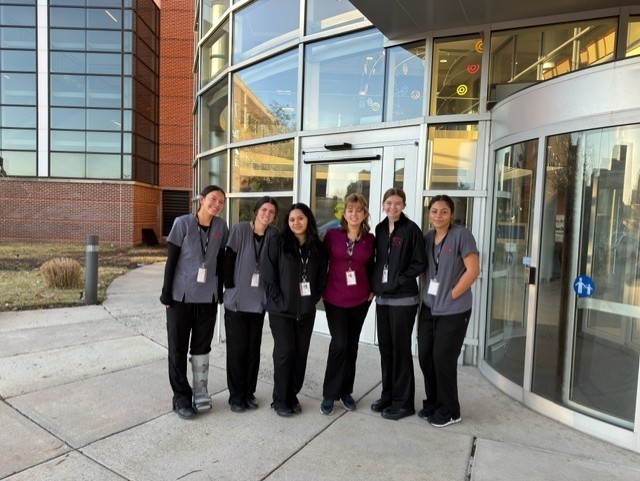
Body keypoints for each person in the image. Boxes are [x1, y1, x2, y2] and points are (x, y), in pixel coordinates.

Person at [160, 185, 228, 420]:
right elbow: (172, 261)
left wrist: (219, 292)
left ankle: (200, 392)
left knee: (202, 347)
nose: (217, 204)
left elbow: (219, 260)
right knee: (178, 348)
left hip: (207, 299)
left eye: (221, 201)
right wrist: (166, 293)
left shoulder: (221, 227)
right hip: (181, 297)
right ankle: (180, 397)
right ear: (201, 199)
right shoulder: (182, 223)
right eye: (213, 199)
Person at [418, 194, 479, 428]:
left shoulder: (462, 235)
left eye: (444, 211)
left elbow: (473, 270)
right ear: (429, 214)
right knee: (425, 356)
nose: (438, 215)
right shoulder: (427, 238)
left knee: (442, 358)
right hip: (429, 307)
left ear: (451, 214)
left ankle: (451, 410)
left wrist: (452, 294)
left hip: (453, 309)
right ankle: (433, 402)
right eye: (434, 211)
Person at [261, 203, 328, 417]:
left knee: (300, 354)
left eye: (300, 218)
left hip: (306, 312)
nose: (296, 223)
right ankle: (280, 399)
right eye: (291, 219)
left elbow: (320, 278)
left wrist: (313, 299)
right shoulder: (277, 243)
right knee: (285, 352)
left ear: (308, 220)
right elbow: (268, 275)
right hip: (281, 311)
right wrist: (279, 301)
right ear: (287, 222)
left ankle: (292, 395)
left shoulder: (317, 247)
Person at [370, 188, 426, 420]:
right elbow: (379, 260)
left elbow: (419, 263)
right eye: (388, 203)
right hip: (383, 298)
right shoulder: (381, 228)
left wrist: (397, 281)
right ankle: (388, 395)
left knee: (401, 351)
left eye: (397, 203)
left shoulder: (411, 230)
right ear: (383, 204)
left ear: (404, 205)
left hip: (403, 299)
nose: (392, 207)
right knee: (386, 349)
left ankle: (404, 403)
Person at [320, 193, 375, 415]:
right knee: (339, 344)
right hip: (334, 298)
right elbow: (320, 262)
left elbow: (373, 265)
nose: (354, 213)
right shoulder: (332, 236)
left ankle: (346, 392)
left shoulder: (370, 239)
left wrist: (373, 290)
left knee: (351, 346)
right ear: (344, 213)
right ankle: (329, 394)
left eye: (359, 210)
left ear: (365, 214)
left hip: (360, 300)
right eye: (350, 210)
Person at [223, 196, 279, 413]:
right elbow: (228, 259)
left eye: (272, 212)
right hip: (237, 301)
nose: (267, 214)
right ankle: (236, 396)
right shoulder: (239, 230)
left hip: (259, 302)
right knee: (236, 351)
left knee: (252, 350)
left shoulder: (274, 235)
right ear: (256, 211)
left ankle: (249, 392)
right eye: (264, 210)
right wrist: (231, 288)